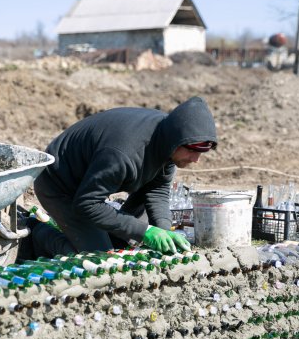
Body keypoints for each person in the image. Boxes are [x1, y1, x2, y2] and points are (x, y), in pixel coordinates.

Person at [29, 96, 217, 258]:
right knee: (100, 258)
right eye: (192, 151)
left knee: (122, 246)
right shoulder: (123, 154)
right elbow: (87, 204)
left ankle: (108, 237)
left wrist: (164, 231)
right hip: (59, 185)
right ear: (178, 141)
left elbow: (157, 190)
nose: (196, 160)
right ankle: (36, 233)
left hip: (94, 181)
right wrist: (146, 231)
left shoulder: (168, 140)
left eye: (202, 153)